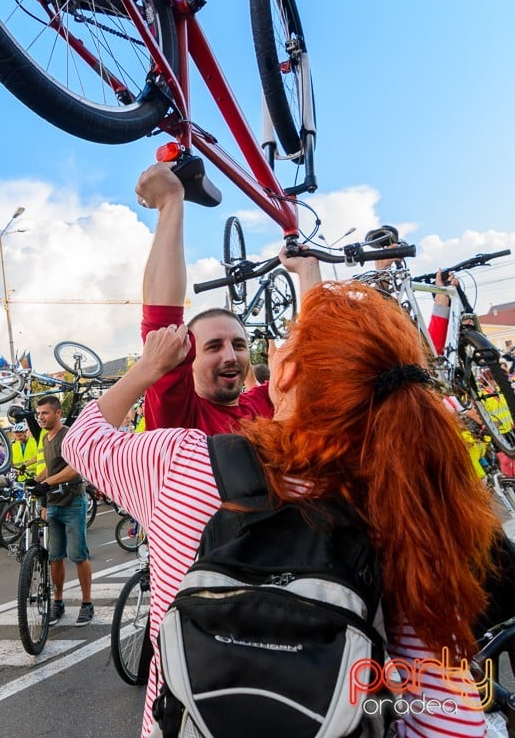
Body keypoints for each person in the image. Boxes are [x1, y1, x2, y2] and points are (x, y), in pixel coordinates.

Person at [63, 279, 499, 738]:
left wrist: (147, 368)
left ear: (286, 374)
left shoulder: (182, 463)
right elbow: (448, 721)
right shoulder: (395, 501)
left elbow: (82, 440)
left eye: (284, 339)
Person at [135, 162, 320, 433]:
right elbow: (161, 323)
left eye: (239, 344)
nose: (231, 355)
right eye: (213, 346)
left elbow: (315, 359)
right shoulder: (180, 417)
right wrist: (170, 202)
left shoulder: (263, 404)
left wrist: (308, 271)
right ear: (187, 358)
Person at [31, 395, 94, 626]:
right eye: (39, 414)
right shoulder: (45, 438)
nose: (41, 417)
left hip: (73, 502)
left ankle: (87, 604)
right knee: (55, 557)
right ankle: (58, 602)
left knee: (78, 555)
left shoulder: (69, 435)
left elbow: (73, 470)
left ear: (58, 413)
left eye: (45, 413)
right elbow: (51, 466)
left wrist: (47, 483)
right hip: (54, 504)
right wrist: (33, 480)